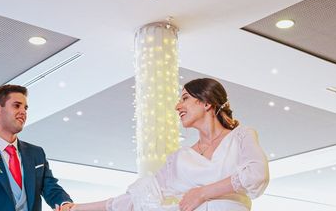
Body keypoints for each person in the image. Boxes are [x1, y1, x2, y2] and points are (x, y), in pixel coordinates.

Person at [72, 78, 269, 211]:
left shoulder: (242, 136)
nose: (177, 106)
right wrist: (79, 208)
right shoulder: (179, 159)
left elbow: (256, 175)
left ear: (207, 102)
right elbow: (135, 198)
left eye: (185, 99)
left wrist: (201, 193)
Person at [0, 84, 74, 211]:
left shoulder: (37, 153)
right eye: (17, 105)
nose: (23, 112)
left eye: (25, 108)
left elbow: (51, 187)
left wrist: (64, 203)